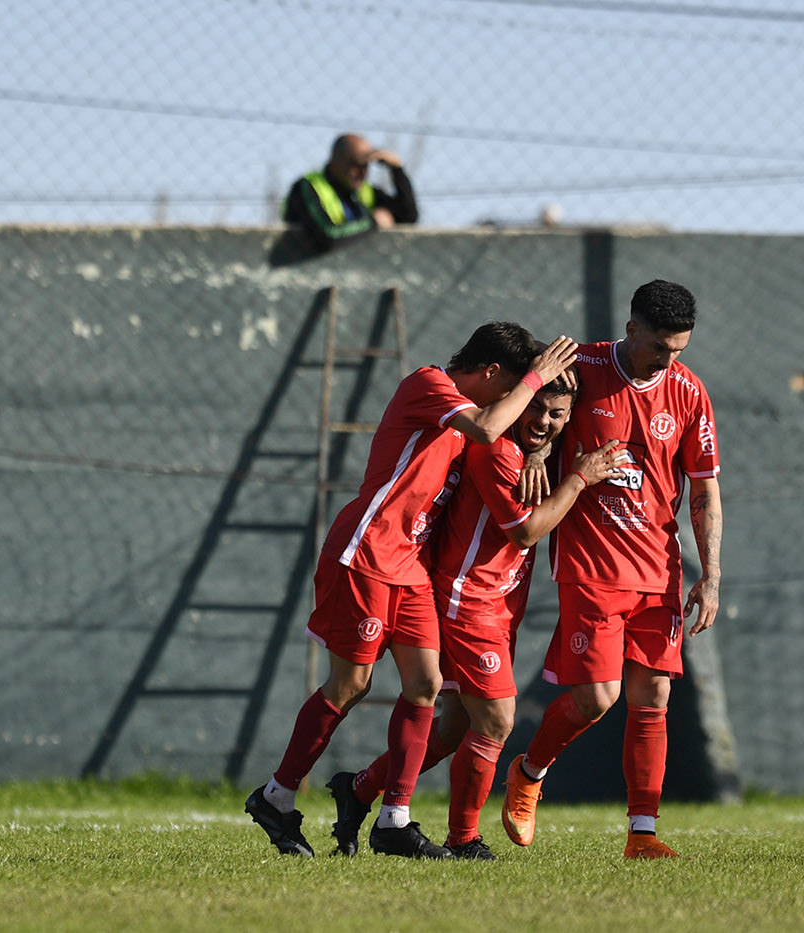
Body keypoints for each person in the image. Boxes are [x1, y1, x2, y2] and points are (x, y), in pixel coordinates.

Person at [245, 323, 578, 860]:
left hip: (413, 566)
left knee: (425, 685)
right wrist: (536, 378)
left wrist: (538, 452)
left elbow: (506, 431)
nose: (521, 403)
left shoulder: (478, 416)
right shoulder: (430, 385)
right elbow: (490, 429)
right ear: (493, 373)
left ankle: (394, 820)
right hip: (368, 553)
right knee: (350, 684)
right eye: (516, 389)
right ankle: (276, 796)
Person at [323, 374, 623, 860]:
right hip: (468, 600)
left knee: (455, 726)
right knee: (497, 720)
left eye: (557, 414)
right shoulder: (497, 450)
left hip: (499, 604)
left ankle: (358, 790)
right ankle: (463, 838)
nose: (542, 421)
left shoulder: (534, 449)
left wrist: (544, 455)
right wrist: (579, 478)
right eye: (535, 408)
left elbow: (546, 449)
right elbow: (526, 532)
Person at [500, 280, 723, 859]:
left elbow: (704, 489)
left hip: (659, 569)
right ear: (631, 330)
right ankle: (528, 772)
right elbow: (535, 413)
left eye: (679, 350)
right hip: (592, 564)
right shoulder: (583, 366)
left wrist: (711, 574)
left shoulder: (689, 392)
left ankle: (642, 834)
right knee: (598, 698)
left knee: (653, 695)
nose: (668, 361)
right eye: (659, 348)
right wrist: (537, 452)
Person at [282, 133, 419, 252]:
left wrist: (397, 170)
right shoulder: (308, 187)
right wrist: (372, 223)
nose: (362, 173)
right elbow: (327, 237)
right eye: (356, 165)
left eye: (366, 166)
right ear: (336, 161)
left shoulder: (364, 191)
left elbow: (407, 216)